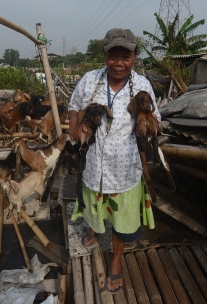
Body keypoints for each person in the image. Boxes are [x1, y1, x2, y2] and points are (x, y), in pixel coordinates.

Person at [68, 28, 158, 294]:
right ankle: (94, 230)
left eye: (126, 56)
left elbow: (156, 118)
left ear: (134, 57)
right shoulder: (89, 79)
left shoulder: (142, 85)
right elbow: (73, 104)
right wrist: (74, 124)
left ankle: (116, 260)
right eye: (113, 55)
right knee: (93, 208)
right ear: (104, 55)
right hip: (93, 163)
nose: (119, 62)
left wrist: (149, 122)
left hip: (125, 168)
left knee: (122, 219)